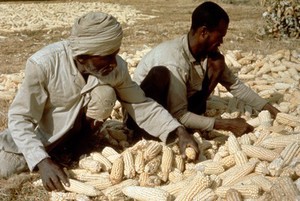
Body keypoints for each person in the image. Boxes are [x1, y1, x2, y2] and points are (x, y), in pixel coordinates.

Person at [0, 11, 199, 191]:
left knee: (105, 93)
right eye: (106, 56)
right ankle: (54, 151)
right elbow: (20, 118)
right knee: (6, 167)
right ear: (82, 56)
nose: (114, 62)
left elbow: (140, 103)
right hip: (45, 134)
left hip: (78, 130)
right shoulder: (43, 65)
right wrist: (42, 160)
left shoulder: (115, 67)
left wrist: (178, 130)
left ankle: (79, 146)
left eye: (115, 53)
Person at [130, 1, 280, 138]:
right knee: (160, 74)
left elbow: (235, 85)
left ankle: (194, 122)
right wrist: (226, 125)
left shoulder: (206, 53)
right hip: (144, 114)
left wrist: (273, 112)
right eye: (220, 36)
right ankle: (148, 133)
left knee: (217, 63)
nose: (221, 42)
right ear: (204, 32)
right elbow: (179, 114)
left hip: (176, 106)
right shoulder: (174, 61)